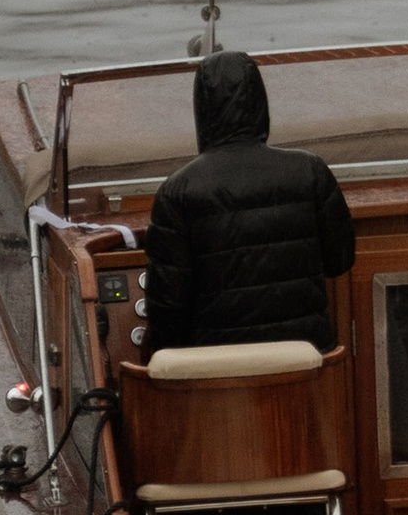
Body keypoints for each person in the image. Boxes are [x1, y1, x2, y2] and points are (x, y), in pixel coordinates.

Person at [143, 51, 356, 352]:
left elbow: (167, 306)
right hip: (305, 361)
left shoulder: (178, 191)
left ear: (202, 109)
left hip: (220, 370)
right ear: (260, 102)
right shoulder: (309, 170)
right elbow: (340, 259)